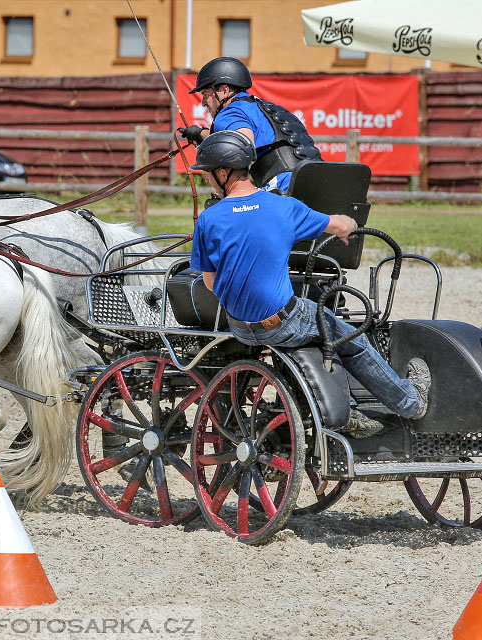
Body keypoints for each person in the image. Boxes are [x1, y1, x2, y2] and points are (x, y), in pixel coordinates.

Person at [189, 130, 431, 438]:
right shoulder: (282, 208)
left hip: (239, 326)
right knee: (350, 338)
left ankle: (331, 404)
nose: (207, 181)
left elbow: (210, 283)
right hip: (283, 323)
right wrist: (351, 225)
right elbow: (340, 224)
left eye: (207, 176)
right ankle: (410, 402)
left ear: (223, 173)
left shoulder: (209, 220)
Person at [179, 57, 322, 192]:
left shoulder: (229, 113)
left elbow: (240, 149)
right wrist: (200, 134)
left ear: (224, 90)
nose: (203, 103)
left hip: (286, 188)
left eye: (205, 95)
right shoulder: (262, 107)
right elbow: (236, 137)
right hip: (322, 180)